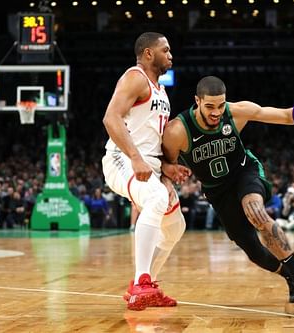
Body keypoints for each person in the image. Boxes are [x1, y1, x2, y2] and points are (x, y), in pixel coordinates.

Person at [162, 76, 294, 312]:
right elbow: (163, 163)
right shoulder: (177, 131)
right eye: (209, 106)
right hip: (217, 192)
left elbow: (283, 115)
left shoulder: (235, 113)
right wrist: (167, 169)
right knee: (254, 252)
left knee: (256, 212)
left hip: (244, 172)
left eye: (221, 105)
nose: (216, 112)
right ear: (197, 101)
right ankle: (290, 278)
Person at [101, 32, 190, 311]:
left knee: (175, 228)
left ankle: (147, 282)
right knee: (155, 199)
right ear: (149, 53)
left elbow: (149, 140)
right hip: (122, 159)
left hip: (147, 164)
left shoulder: (161, 91)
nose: (171, 55)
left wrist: (166, 167)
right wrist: (135, 157)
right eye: (166, 49)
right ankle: (141, 283)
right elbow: (110, 117)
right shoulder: (135, 77)